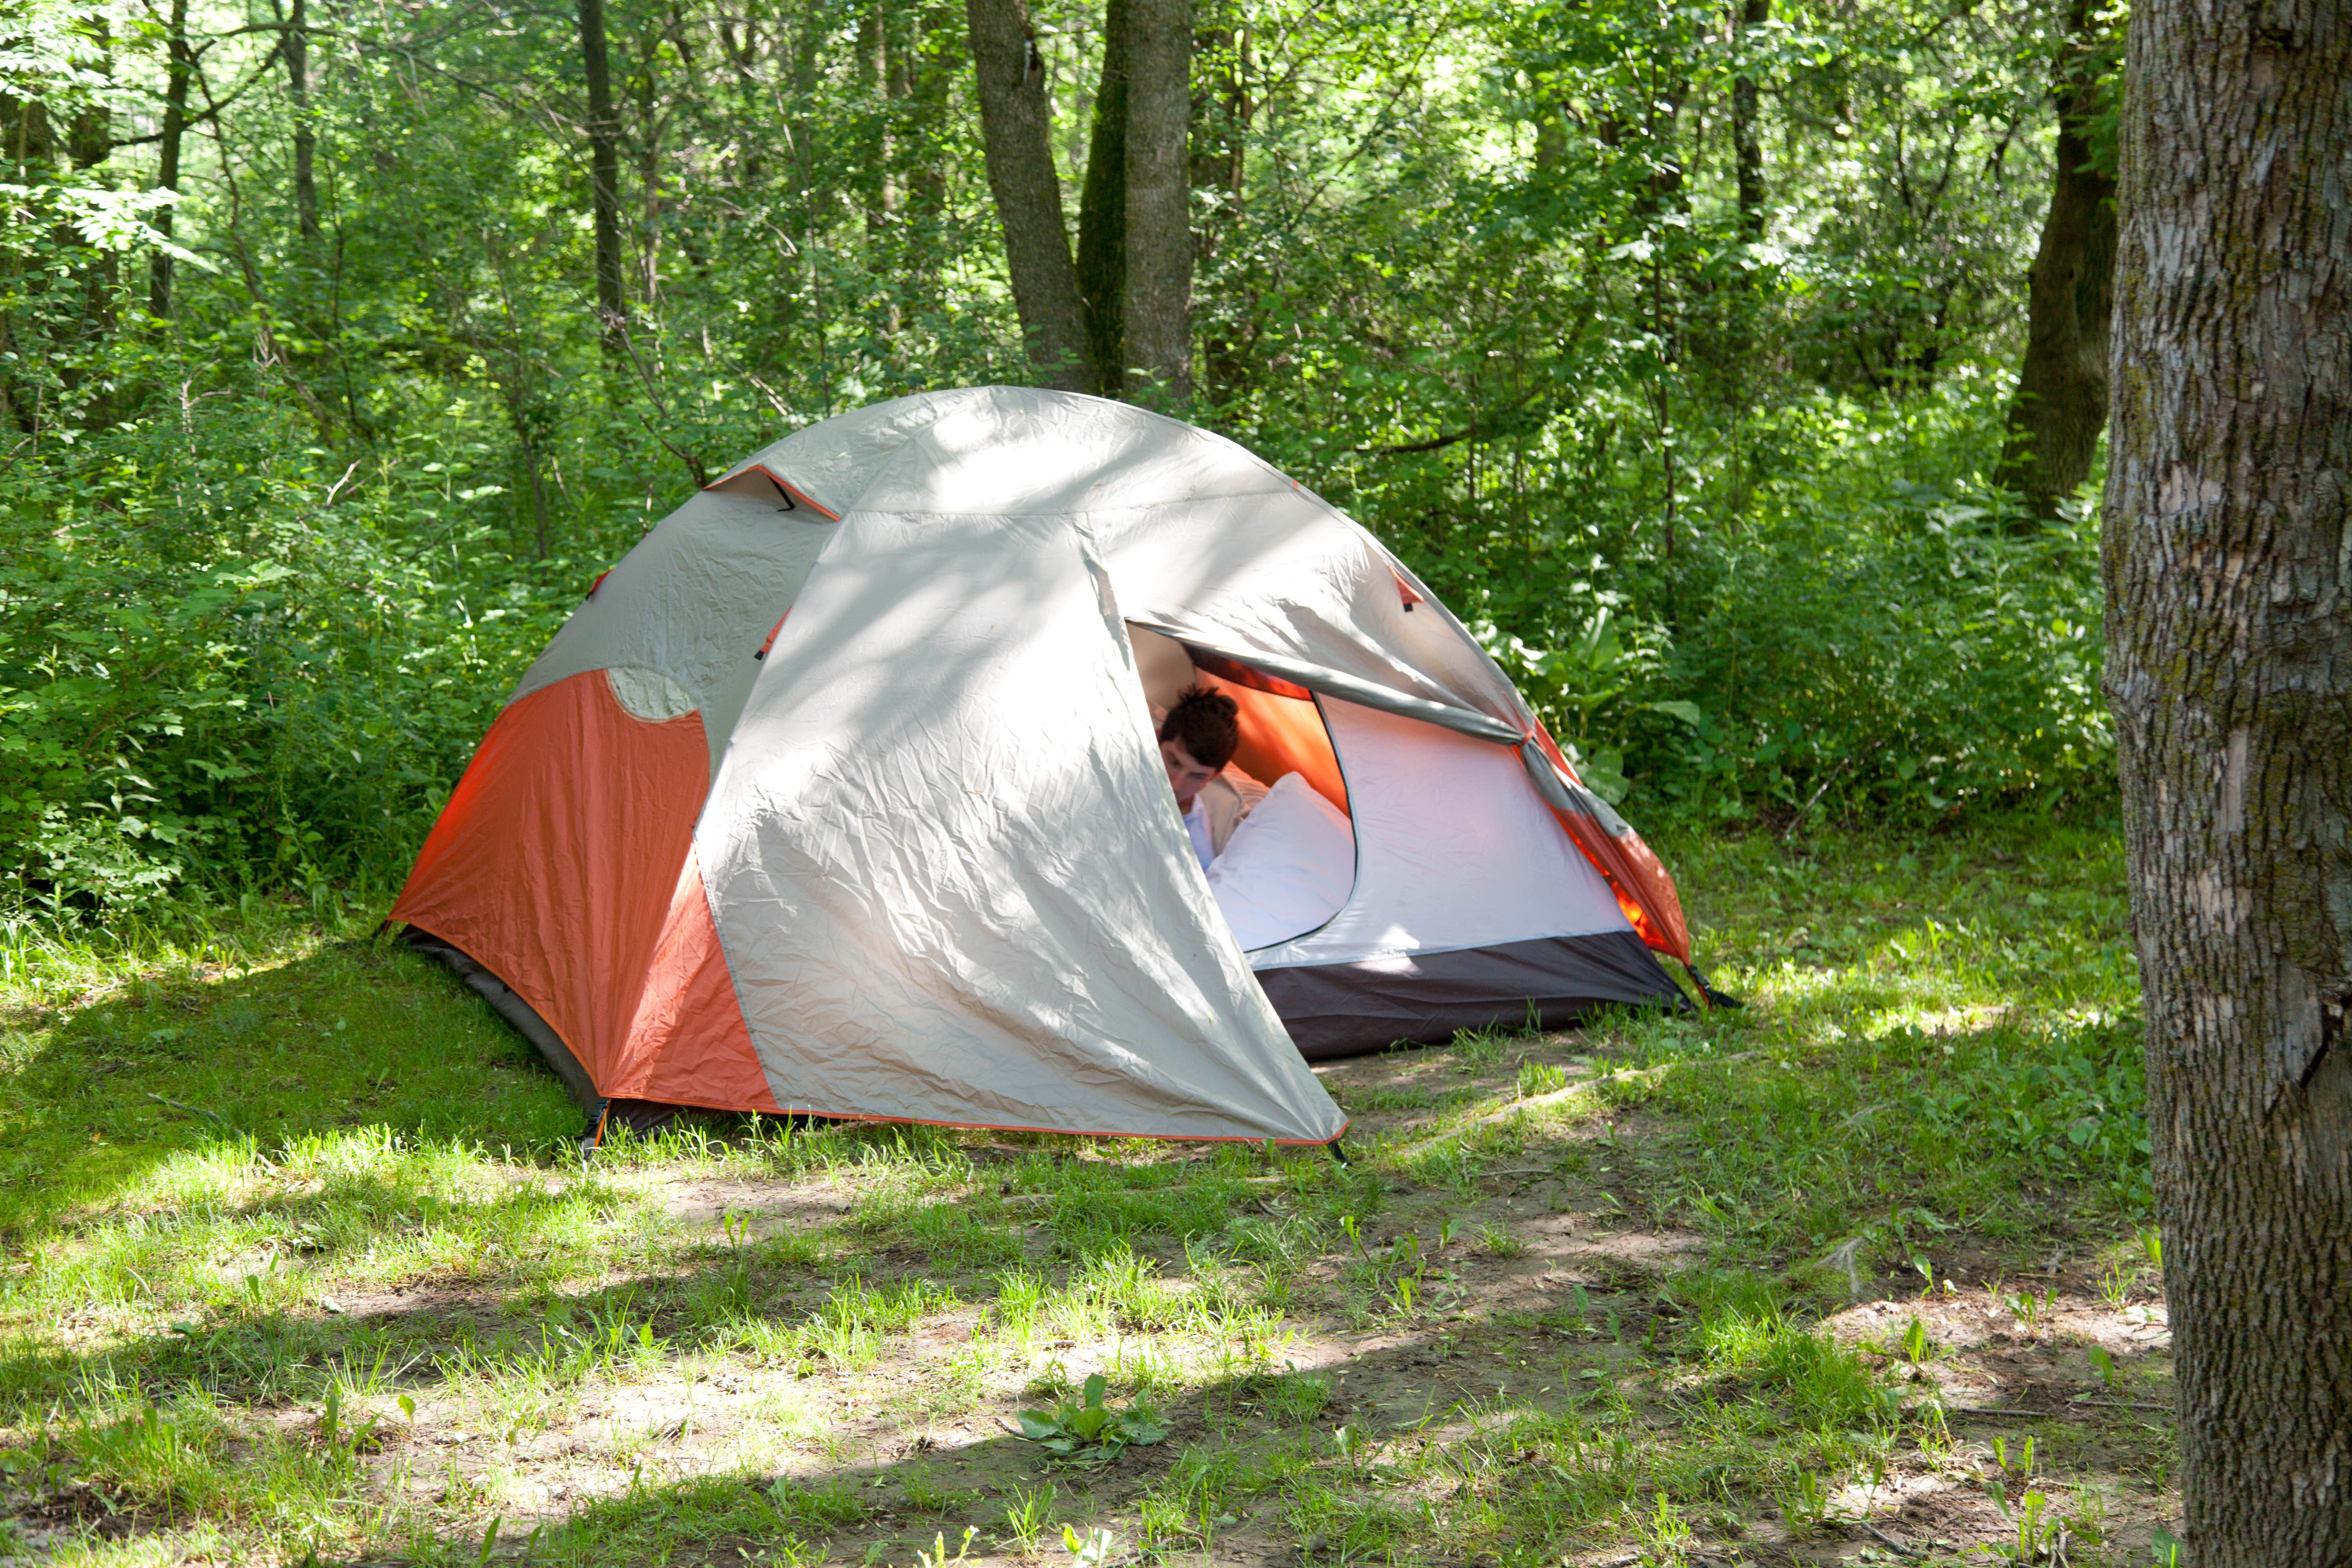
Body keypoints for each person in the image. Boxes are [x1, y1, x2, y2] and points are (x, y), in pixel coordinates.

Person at [1158, 685, 1268, 869]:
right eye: (1174, 762)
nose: (1176, 785)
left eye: (1197, 776)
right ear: (1157, 737)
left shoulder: (1193, 847)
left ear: (1213, 778)